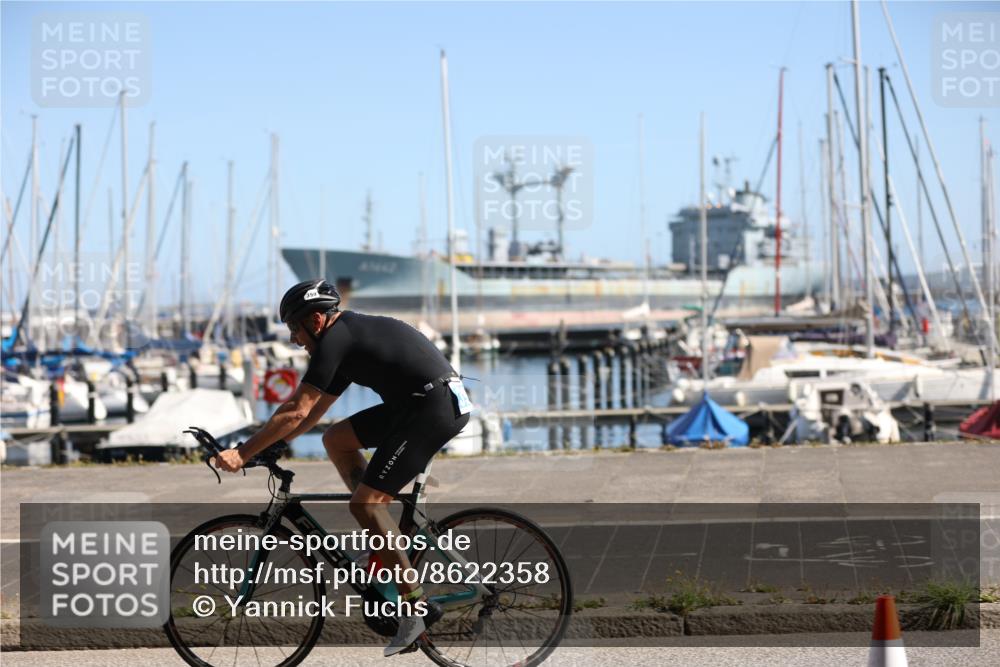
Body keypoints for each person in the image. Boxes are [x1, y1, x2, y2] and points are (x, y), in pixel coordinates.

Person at [214, 279, 471, 656]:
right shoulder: (343, 340)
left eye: (294, 330)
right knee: (336, 439)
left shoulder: (336, 340)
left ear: (315, 321)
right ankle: (382, 547)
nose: (293, 340)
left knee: (366, 504)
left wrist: (242, 452)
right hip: (420, 404)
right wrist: (271, 446)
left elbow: (296, 409)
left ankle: (415, 606)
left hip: (432, 409)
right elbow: (310, 415)